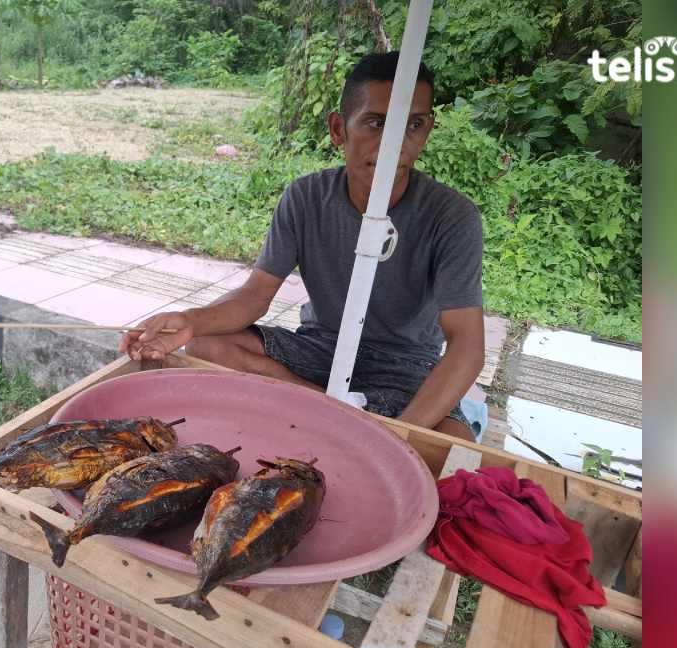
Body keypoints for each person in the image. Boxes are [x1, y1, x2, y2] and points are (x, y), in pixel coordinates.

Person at [119, 52, 484, 441]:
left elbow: (466, 346)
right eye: (376, 123)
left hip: (407, 366)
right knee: (204, 347)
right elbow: (254, 297)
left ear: (428, 129)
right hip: (319, 350)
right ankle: (338, 416)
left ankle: (334, 419)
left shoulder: (452, 216)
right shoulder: (307, 197)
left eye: (413, 125)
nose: (395, 144)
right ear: (338, 128)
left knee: (455, 446)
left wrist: (399, 438)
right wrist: (189, 322)